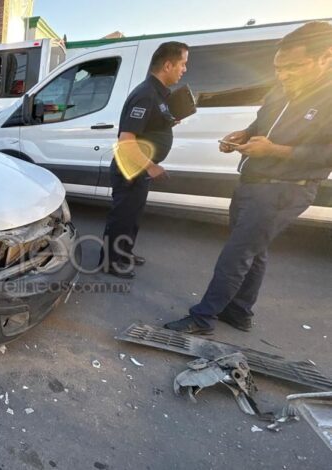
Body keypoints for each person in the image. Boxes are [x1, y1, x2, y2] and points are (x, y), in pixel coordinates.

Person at [165, 21, 332, 335]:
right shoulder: (281, 89)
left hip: (284, 189)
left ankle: (203, 319)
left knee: (237, 253)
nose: (284, 74)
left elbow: (326, 153)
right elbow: (261, 123)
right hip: (252, 181)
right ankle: (240, 312)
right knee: (254, 250)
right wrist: (244, 136)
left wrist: (276, 151)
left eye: (293, 67)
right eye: (279, 67)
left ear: (326, 57)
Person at [100, 42, 189, 279]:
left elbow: (149, 127)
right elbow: (126, 140)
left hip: (140, 169)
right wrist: (152, 166)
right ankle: (110, 261)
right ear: (168, 65)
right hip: (131, 168)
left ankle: (124, 253)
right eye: (182, 64)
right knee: (122, 217)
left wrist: (167, 122)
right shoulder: (146, 94)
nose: (184, 69)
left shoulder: (160, 93)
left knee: (134, 215)